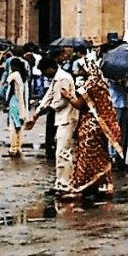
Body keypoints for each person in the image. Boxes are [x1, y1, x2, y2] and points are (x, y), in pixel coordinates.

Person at [63, 55, 122, 198]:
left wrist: (68, 96)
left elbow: (78, 104)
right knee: (101, 155)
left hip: (90, 124)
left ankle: (80, 185)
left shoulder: (90, 85)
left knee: (85, 155)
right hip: (101, 125)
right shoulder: (101, 82)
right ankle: (104, 184)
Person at [27, 54, 79, 194]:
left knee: (63, 152)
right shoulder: (56, 79)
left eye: (45, 71)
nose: (44, 75)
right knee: (60, 152)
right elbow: (48, 96)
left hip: (68, 118)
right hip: (61, 118)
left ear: (51, 68)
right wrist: (36, 114)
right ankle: (60, 182)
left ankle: (65, 184)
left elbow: (61, 102)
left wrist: (46, 111)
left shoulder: (63, 78)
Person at [4, 56, 31, 158]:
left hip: (14, 101)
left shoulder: (14, 75)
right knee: (19, 126)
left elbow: (9, 89)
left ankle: (13, 148)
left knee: (13, 125)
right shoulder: (24, 76)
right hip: (22, 103)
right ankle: (18, 147)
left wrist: (6, 102)